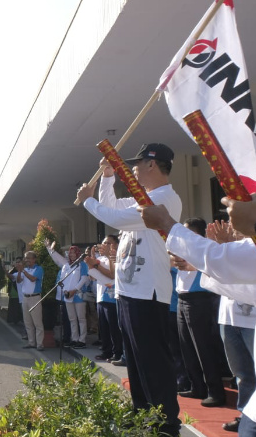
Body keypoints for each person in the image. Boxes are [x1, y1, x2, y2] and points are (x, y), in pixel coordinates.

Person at [138, 155, 256, 436]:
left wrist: (168, 224)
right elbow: (252, 291)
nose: (254, 203)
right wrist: (201, 267)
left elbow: (219, 258)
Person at [76, 142, 183, 437]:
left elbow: (115, 218)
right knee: (135, 362)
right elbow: (111, 207)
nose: (133, 168)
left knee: (153, 362)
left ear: (153, 164)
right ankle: (142, 414)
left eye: (138, 163)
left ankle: (165, 424)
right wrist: (108, 177)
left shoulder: (162, 199)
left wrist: (87, 200)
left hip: (148, 293)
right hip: (128, 292)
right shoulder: (143, 196)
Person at [206, 219, 256, 433]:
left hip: (254, 321)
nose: (230, 225)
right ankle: (246, 414)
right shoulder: (228, 247)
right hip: (229, 318)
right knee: (241, 373)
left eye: (234, 221)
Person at [172, 217, 229, 408]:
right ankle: (197, 386)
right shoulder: (183, 248)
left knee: (203, 347)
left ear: (199, 233)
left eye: (190, 232)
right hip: (183, 297)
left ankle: (215, 391)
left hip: (199, 299)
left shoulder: (205, 247)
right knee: (187, 346)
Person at [86, 235, 123, 362]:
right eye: (103, 243)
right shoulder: (100, 259)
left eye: (108, 243)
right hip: (101, 296)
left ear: (116, 245)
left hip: (112, 298)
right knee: (104, 327)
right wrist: (92, 259)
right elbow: (92, 277)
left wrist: (96, 266)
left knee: (114, 327)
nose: (104, 245)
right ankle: (106, 351)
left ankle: (117, 352)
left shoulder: (116, 258)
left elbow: (112, 274)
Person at [17, 250, 45, 351]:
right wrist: (20, 271)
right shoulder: (25, 269)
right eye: (25, 258)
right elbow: (18, 280)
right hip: (25, 298)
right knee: (27, 322)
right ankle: (31, 342)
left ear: (34, 259)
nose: (26, 260)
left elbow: (33, 279)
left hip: (35, 297)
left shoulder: (39, 269)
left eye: (28, 258)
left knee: (37, 322)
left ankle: (40, 344)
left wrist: (23, 271)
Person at [5, 258, 23, 326]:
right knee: (15, 307)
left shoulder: (25, 271)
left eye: (19, 262)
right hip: (15, 293)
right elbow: (11, 278)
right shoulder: (14, 271)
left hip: (22, 295)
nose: (17, 264)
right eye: (16, 262)